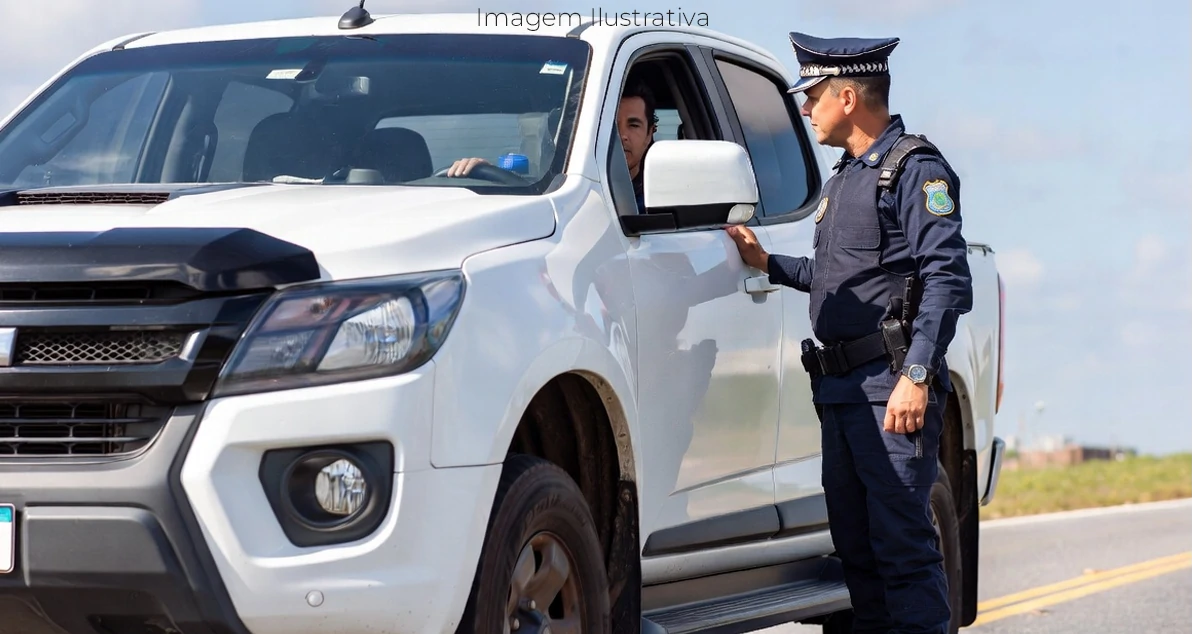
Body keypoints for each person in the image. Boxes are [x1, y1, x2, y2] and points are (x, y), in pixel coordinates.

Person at [725, 32, 973, 634]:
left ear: (846, 95)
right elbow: (842, 278)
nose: (805, 109)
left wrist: (916, 375)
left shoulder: (914, 170)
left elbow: (948, 280)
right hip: (840, 394)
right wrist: (767, 264)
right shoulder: (844, 180)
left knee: (903, 552)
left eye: (812, 96)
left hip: (891, 392)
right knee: (858, 557)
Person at [447, 82, 657, 210]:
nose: (621, 135)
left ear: (650, 134)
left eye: (634, 125)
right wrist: (486, 178)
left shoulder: (659, 199)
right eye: (609, 125)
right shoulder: (556, 189)